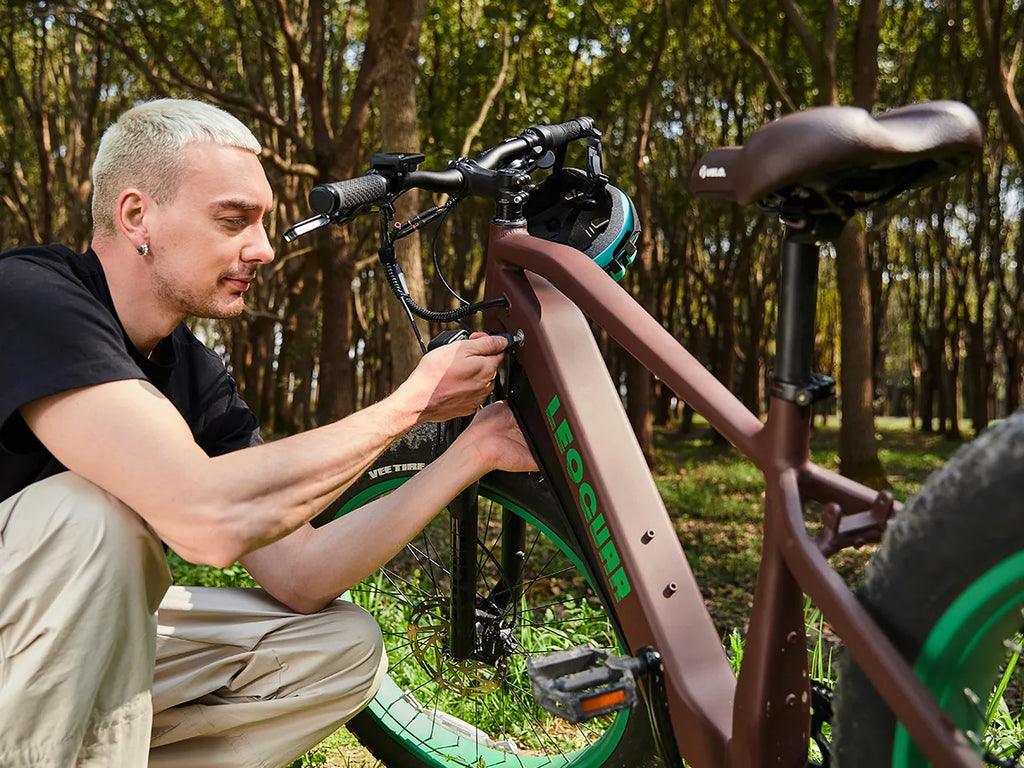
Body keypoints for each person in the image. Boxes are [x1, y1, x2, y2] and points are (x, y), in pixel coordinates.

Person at [0, 99, 538, 767]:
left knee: (338, 645)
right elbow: (206, 517)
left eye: (262, 223)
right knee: (92, 515)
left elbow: (300, 573)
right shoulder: (28, 295)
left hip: (41, 660)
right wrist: (411, 403)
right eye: (233, 221)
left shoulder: (194, 373)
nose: (260, 249)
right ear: (135, 215)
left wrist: (471, 450)